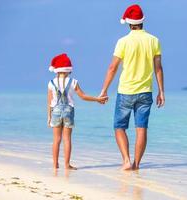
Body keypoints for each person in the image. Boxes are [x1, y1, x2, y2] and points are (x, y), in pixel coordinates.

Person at [99, 4, 165, 170]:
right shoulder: (154, 40)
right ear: (143, 21)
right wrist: (161, 91)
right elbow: (158, 68)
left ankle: (126, 161)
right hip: (146, 92)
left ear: (129, 23)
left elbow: (112, 68)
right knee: (141, 129)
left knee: (119, 127)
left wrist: (104, 90)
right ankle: (136, 165)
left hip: (125, 92)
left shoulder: (123, 42)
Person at [47, 53, 107, 170]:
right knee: (67, 139)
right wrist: (97, 99)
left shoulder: (51, 83)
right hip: (69, 110)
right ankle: (67, 164)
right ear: (68, 69)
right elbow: (83, 96)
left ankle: (55, 164)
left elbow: (50, 102)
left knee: (56, 139)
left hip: (56, 111)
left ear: (57, 70)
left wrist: (49, 117)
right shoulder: (73, 82)